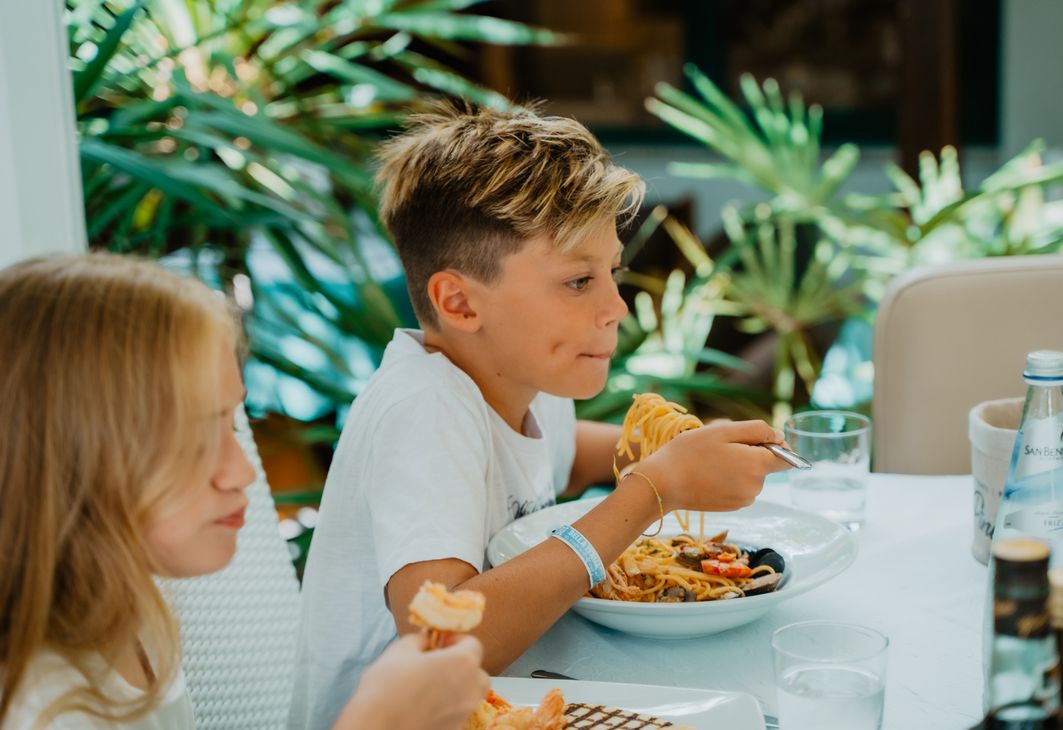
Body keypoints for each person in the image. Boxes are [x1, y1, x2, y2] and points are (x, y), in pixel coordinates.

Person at [290, 103, 792, 729]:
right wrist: (657, 488)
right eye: (578, 281)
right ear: (460, 302)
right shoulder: (422, 411)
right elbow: (440, 643)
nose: (616, 307)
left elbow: (559, 449)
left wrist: (687, 450)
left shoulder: (524, 379)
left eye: (613, 272)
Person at [0, 254, 488, 729]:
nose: (242, 474)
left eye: (233, 424)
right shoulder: (37, 706)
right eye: (195, 437)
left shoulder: (131, 605)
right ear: (65, 456)